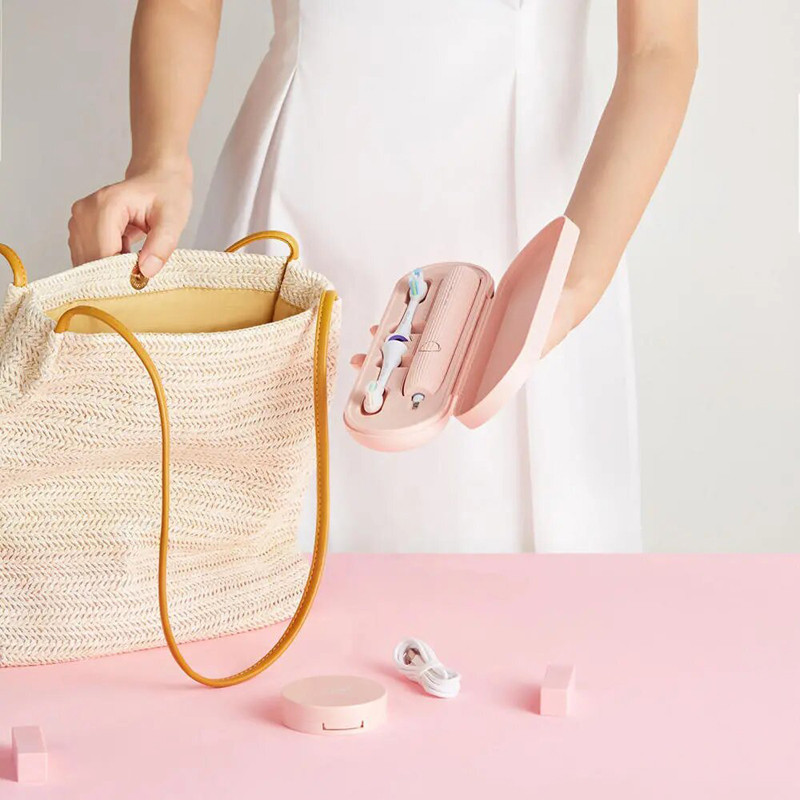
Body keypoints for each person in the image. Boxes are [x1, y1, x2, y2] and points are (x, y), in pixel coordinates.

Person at [67, 1, 697, 553]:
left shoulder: (553, 281)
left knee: (524, 600)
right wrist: (158, 159)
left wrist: (572, 283)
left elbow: (659, 47)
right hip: (293, 223)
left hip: (533, 257)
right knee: (251, 578)